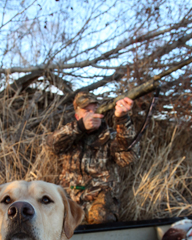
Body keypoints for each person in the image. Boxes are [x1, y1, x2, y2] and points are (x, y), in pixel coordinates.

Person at [46, 92, 137, 224]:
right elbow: (50, 145)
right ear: (77, 116)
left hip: (100, 196)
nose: (92, 113)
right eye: (87, 110)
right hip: (69, 195)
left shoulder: (110, 136)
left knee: (100, 217)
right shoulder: (69, 135)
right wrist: (80, 127)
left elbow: (128, 158)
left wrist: (122, 119)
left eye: (95, 109)